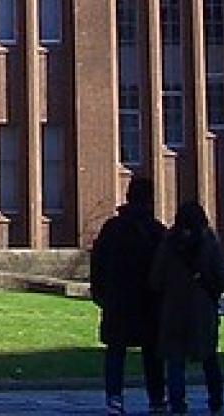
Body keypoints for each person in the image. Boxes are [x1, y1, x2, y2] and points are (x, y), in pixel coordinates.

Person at [89, 175, 166, 416]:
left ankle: (114, 398)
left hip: (118, 301)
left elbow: (97, 263)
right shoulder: (156, 231)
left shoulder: (112, 228)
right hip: (148, 302)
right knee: (152, 353)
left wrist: (100, 293)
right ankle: (156, 399)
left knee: (115, 351)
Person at [149, 199, 224, 416]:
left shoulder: (168, 244)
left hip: (173, 309)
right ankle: (216, 401)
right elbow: (223, 277)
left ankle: (177, 404)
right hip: (202, 309)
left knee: (175, 361)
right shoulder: (209, 243)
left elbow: (155, 279)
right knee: (209, 357)